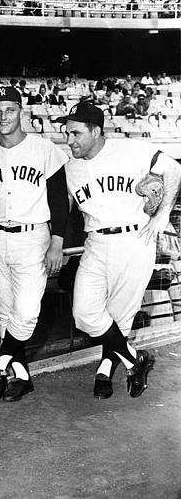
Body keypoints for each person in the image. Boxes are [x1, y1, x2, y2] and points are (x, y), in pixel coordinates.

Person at [64, 102, 181, 399]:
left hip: (134, 239)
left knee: (120, 316)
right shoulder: (71, 168)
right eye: (67, 133)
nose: (70, 140)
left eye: (76, 133)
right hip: (95, 243)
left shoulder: (131, 150)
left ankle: (105, 370)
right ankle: (134, 360)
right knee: (85, 314)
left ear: (96, 130)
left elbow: (174, 169)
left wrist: (163, 214)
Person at [0, 86, 69, 402]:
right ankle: (19, 376)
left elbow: (59, 201)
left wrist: (57, 242)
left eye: (9, 110)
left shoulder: (45, 149)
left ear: (21, 112)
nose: (3, 116)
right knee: (5, 312)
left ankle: (0, 365)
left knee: (25, 312)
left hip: (33, 236)